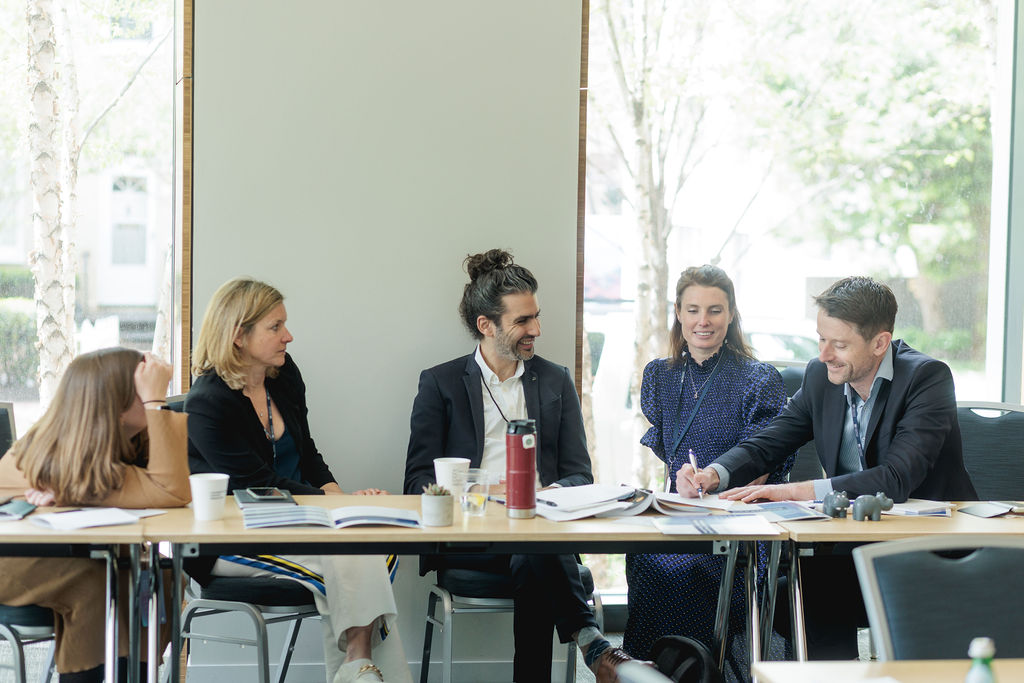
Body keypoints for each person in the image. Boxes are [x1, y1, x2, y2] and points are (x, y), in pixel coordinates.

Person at [681, 275, 978, 658]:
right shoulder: (822, 376)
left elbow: (897, 477)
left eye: (838, 344)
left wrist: (793, 491)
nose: (824, 354)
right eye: (821, 339)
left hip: (928, 552)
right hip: (855, 545)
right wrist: (714, 474)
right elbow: (772, 440)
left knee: (814, 591)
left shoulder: (926, 378)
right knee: (796, 592)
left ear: (879, 343)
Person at [404, 249, 644, 683]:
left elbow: (578, 475)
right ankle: (592, 641)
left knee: (532, 550)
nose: (536, 329)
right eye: (522, 321)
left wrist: (545, 497)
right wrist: (482, 493)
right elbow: (419, 482)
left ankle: (588, 642)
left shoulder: (555, 381)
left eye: (536, 316)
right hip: (472, 536)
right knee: (537, 552)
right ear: (486, 325)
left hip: (539, 528)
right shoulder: (439, 384)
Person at [185, 278, 408, 683]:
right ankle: (361, 666)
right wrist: (340, 511)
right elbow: (256, 482)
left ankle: (356, 666)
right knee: (356, 556)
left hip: (302, 525)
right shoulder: (208, 402)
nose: (288, 336)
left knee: (372, 544)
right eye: (275, 327)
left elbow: (307, 454)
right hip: (233, 540)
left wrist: (342, 502)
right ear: (238, 336)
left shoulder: (283, 377)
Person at [624, 265, 792, 679]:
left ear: (731, 314)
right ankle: (652, 668)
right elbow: (668, 457)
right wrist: (683, 484)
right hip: (680, 514)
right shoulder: (659, 376)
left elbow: (764, 463)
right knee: (644, 556)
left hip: (739, 520)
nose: (704, 321)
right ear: (678, 312)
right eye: (694, 309)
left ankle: (695, 668)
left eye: (715, 310)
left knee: (688, 569)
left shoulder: (758, 378)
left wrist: (714, 482)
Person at [0, 348, 189, 683]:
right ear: (113, 406)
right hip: (12, 558)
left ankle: (134, 675)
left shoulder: (119, 443)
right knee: (98, 582)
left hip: (66, 554)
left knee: (161, 574)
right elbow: (172, 492)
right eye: (142, 390)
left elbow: (167, 486)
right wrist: (156, 405)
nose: (154, 395)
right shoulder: (59, 453)